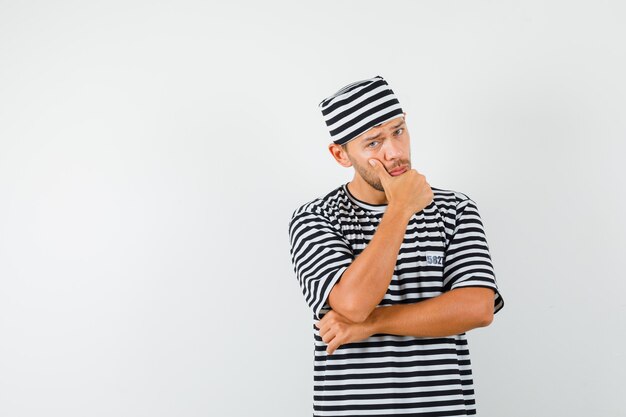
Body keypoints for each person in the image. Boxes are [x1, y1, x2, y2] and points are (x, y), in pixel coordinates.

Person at [287, 75, 504, 417]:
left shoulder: (456, 209)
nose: (395, 152)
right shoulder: (315, 217)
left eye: (398, 131)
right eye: (373, 143)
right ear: (340, 154)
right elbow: (353, 304)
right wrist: (401, 208)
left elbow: (478, 308)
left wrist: (373, 324)